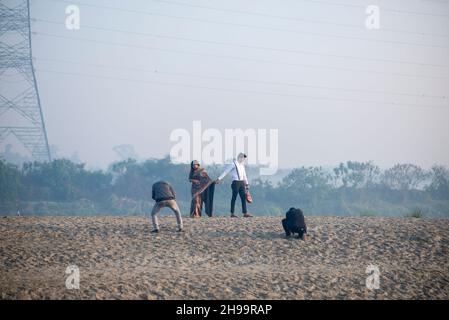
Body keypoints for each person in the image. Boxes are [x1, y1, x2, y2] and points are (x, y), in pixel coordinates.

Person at [216, 153, 253, 218]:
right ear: (239, 157)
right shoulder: (233, 164)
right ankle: (232, 213)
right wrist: (219, 178)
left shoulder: (242, 165)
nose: (243, 159)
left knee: (243, 198)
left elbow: (244, 176)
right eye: (242, 158)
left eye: (244, 158)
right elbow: (226, 172)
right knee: (234, 197)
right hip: (235, 182)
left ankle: (245, 213)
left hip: (241, 183)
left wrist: (247, 184)